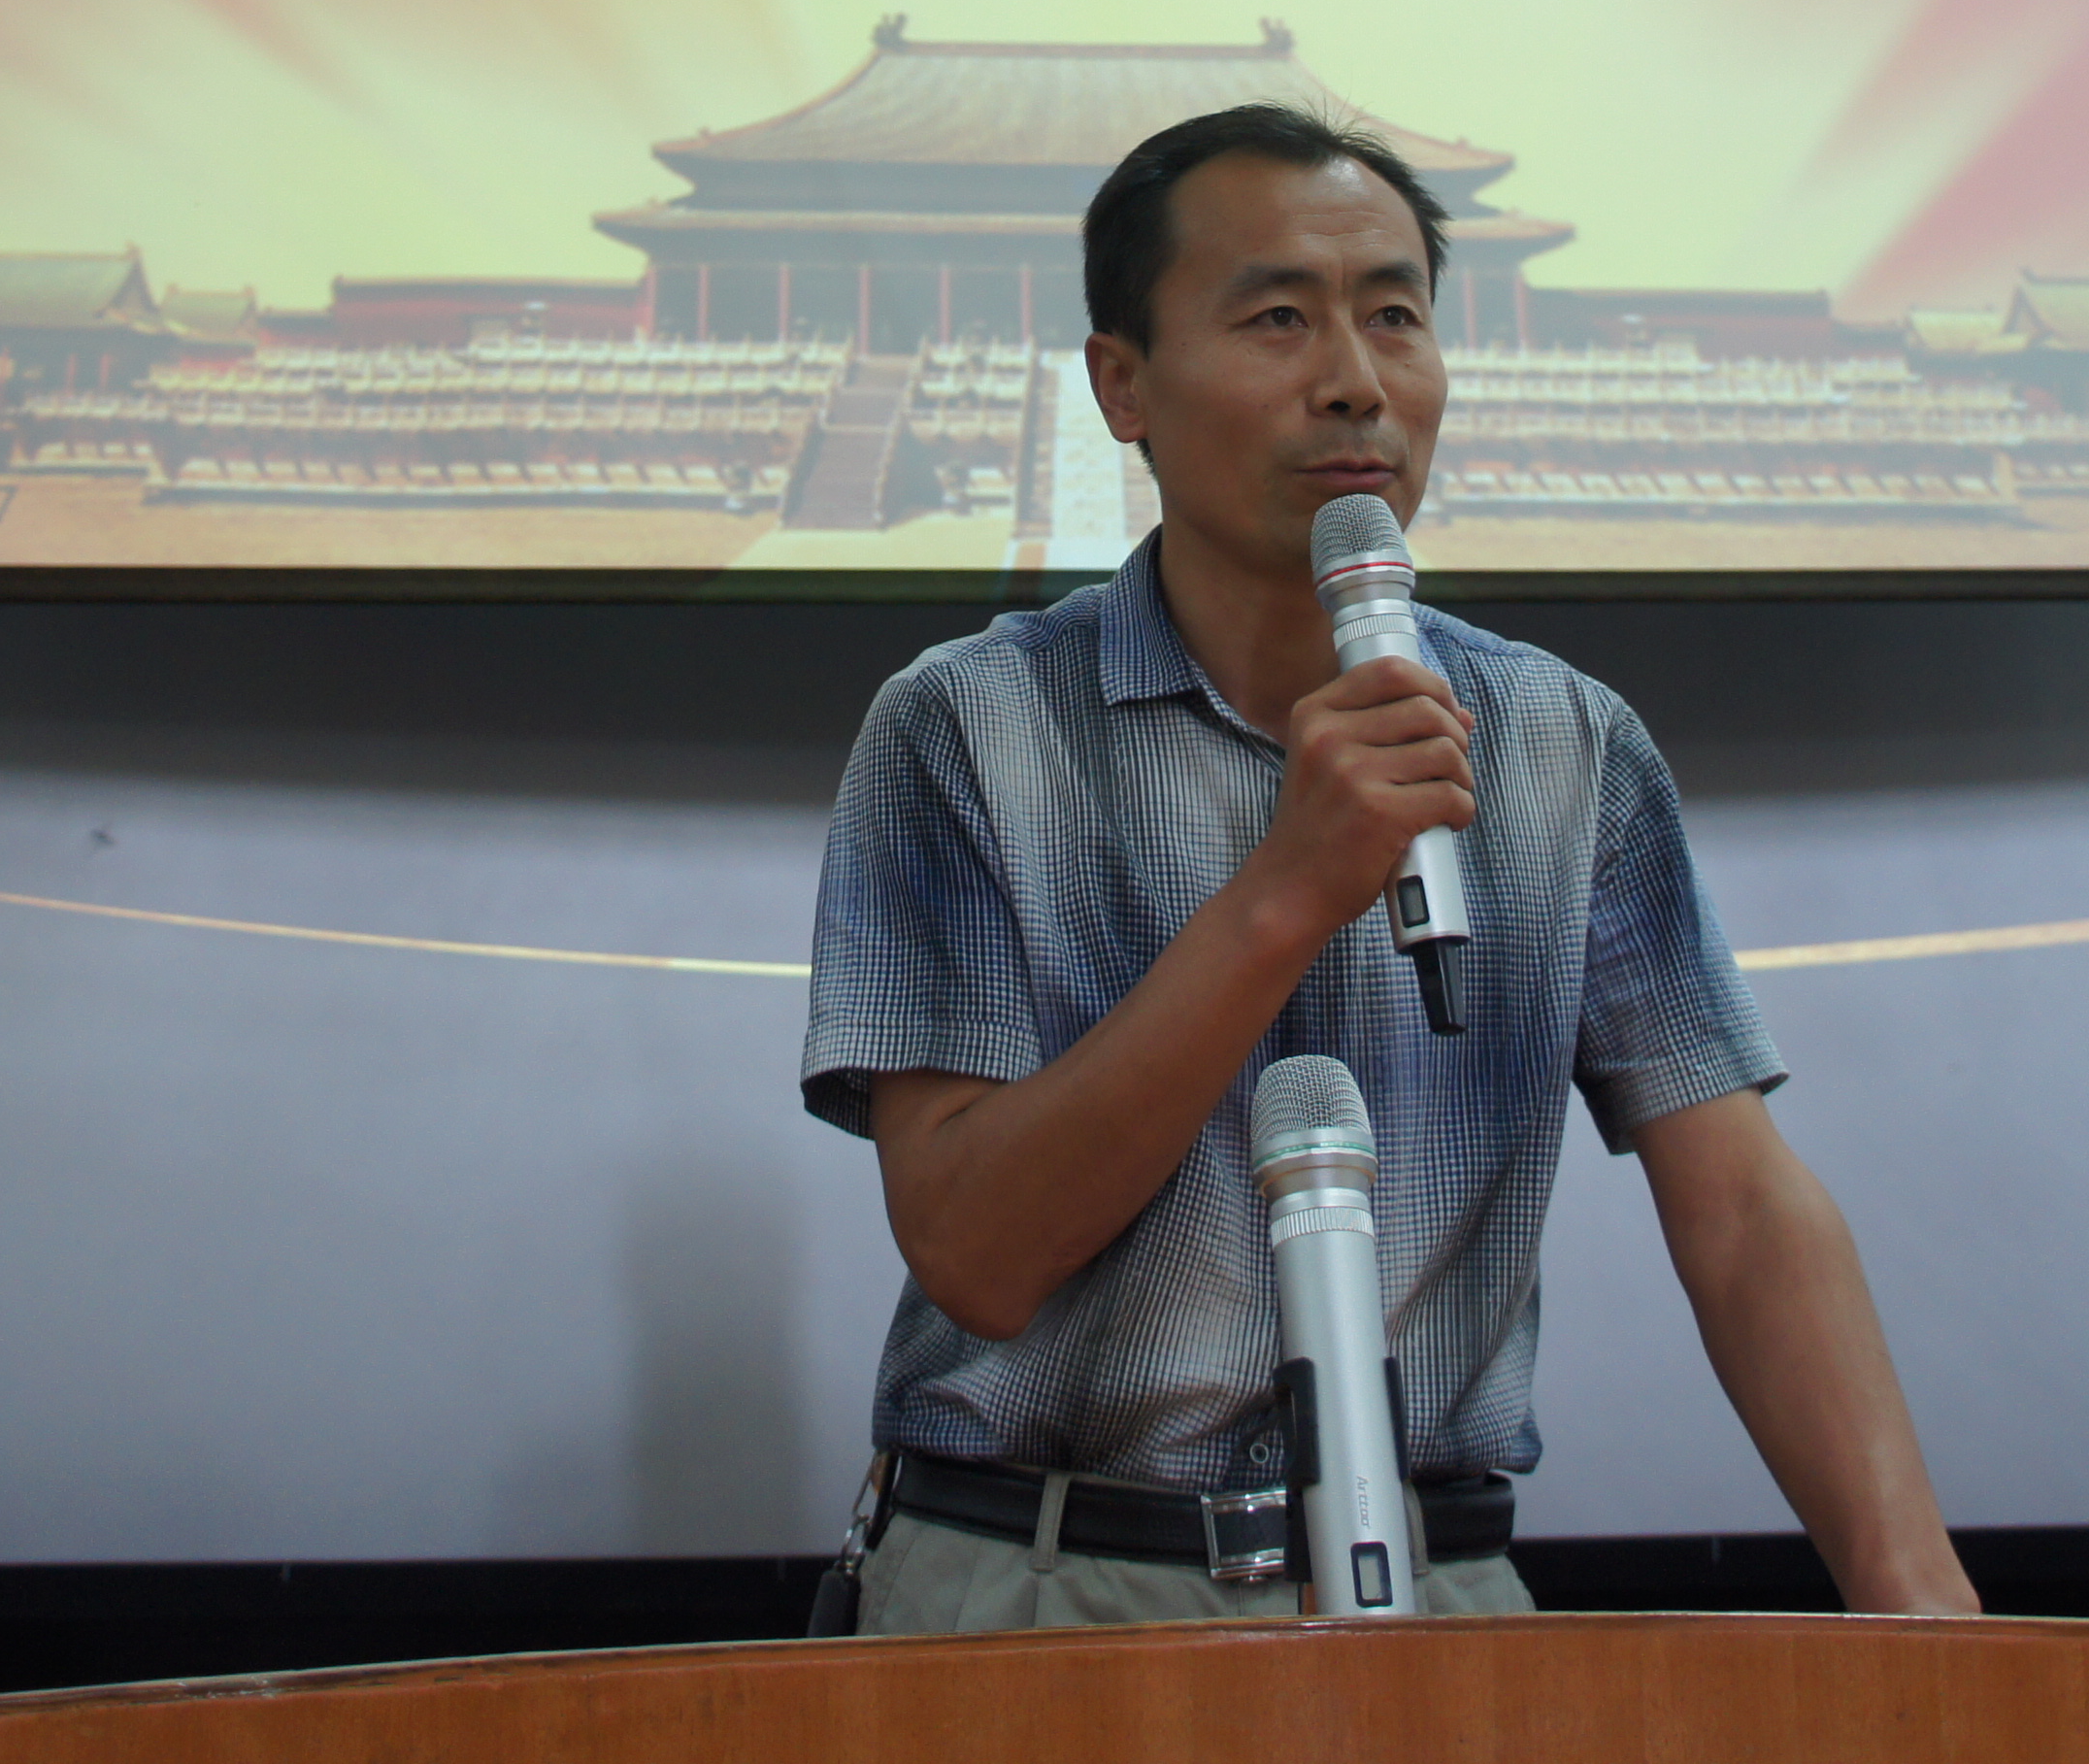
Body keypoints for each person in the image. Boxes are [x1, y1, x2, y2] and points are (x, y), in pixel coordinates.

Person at [799, 101, 1979, 1631]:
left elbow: (1744, 1211)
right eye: (1279, 319)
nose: (1356, 380)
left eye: (1396, 318)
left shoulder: (1562, 743)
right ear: (1122, 384)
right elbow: (976, 1250)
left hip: (1436, 1597)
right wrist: (1286, 892)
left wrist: (1918, 1598)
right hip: (1039, 1591)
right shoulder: (968, 726)